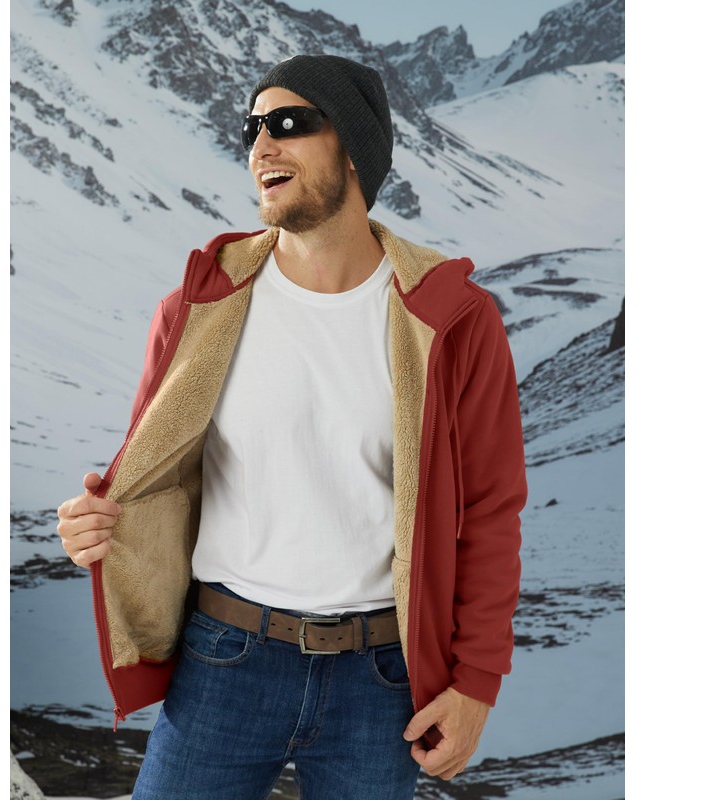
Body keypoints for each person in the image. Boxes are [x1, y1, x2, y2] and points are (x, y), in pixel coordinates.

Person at [56, 54, 526, 799]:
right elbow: (151, 478)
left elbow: (492, 511)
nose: (261, 147)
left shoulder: (452, 319)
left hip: (382, 680)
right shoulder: (199, 307)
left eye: (288, 123)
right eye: (251, 129)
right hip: (224, 660)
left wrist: (477, 683)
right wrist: (96, 523)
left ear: (354, 147)